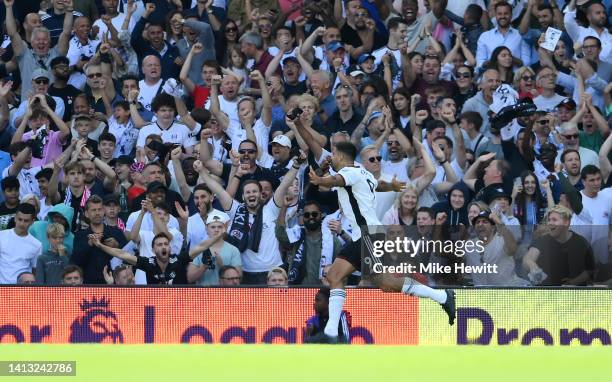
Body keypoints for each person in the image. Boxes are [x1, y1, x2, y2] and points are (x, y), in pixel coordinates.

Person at [308, 141, 455, 342]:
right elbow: (380, 185)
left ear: (340, 157)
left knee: (384, 282)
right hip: (366, 235)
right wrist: (392, 186)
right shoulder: (365, 174)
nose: (331, 157)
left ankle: (443, 297)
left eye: (333, 154)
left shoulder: (350, 173)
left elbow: (335, 180)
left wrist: (319, 180)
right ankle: (331, 334)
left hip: (369, 234)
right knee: (337, 275)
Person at [523, 205, 594, 286]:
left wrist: (574, 282)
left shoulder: (581, 242)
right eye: (549, 220)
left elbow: (590, 270)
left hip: (573, 293)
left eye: (554, 220)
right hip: (547, 291)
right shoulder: (542, 240)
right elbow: (528, 259)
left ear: (566, 222)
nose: (550, 223)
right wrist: (533, 266)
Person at [90, 231, 196, 285]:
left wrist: (213, 238)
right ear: (153, 249)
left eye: (165, 244)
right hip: (154, 306)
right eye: (159, 244)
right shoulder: (148, 263)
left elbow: (201, 247)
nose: (163, 246)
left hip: (177, 307)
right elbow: (122, 254)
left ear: (170, 247)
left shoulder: (179, 259)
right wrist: (100, 245)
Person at [71, 195, 127, 284]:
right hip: (88, 285)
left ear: (104, 211)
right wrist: (88, 245)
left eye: (100, 209)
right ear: (86, 214)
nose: (97, 213)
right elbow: (75, 262)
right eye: (94, 210)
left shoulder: (117, 232)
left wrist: (117, 246)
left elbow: (128, 259)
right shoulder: (80, 235)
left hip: (113, 285)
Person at [187, 210, 241, 286]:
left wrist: (222, 266)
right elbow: (190, 278)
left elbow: (239, 278)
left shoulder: (234, 250)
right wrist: (204, 267)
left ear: (224, 229)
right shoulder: (198, 250)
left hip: (226, 294)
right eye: (213, 227)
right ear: (206, 229)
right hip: (204, 295)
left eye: (219, 227)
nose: (216, 230)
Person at [0, 203, 41, 284]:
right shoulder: (1, 236)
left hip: (22, 290)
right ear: (15, 218)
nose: (22, 224)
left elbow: (35, 271)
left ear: (32, 222)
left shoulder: (37, 245)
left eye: (26, 221)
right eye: (20, 219)